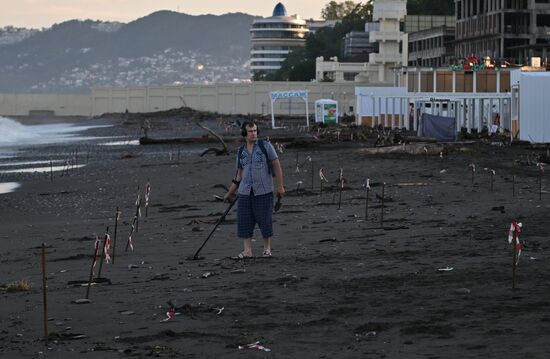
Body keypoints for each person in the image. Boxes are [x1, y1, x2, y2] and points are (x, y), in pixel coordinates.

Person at [223, 121, 285, 258]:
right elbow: (238, 176)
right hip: (245, 192)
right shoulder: (240, 152)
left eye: (255, 131)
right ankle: (247, 251)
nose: (253, 133)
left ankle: (267, 249)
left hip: (263, 190)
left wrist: (280, 186)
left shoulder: (266, 147)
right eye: (250, 131)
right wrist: (229, 193)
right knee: (244, 221)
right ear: (245, 134)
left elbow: (277, 166)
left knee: (265, 220)